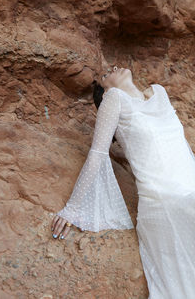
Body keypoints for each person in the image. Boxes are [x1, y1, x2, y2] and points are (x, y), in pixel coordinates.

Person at [51, 66, 195, 298]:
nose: (112, 69)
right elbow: (98, 154)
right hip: (165, 201)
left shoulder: (160, 93)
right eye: (105, 76)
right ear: (105, 91)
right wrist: (72, 208)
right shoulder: (113, 99)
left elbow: (183, 149)